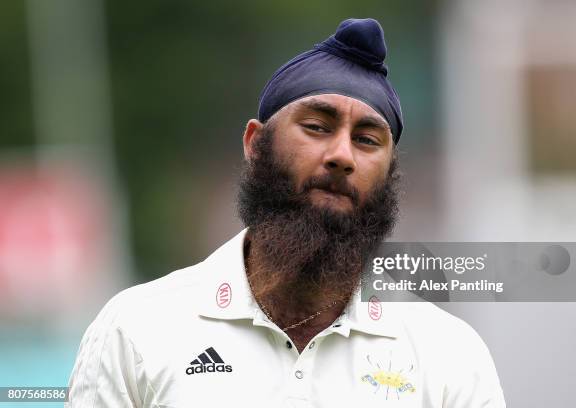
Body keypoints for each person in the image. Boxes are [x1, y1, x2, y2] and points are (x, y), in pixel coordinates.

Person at [66, 18, 506, 407]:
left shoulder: (448, 356)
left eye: (367, 140)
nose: (342, 155)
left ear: (390, 173)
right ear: (255, 144)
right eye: (317, 127)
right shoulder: (138, 329)